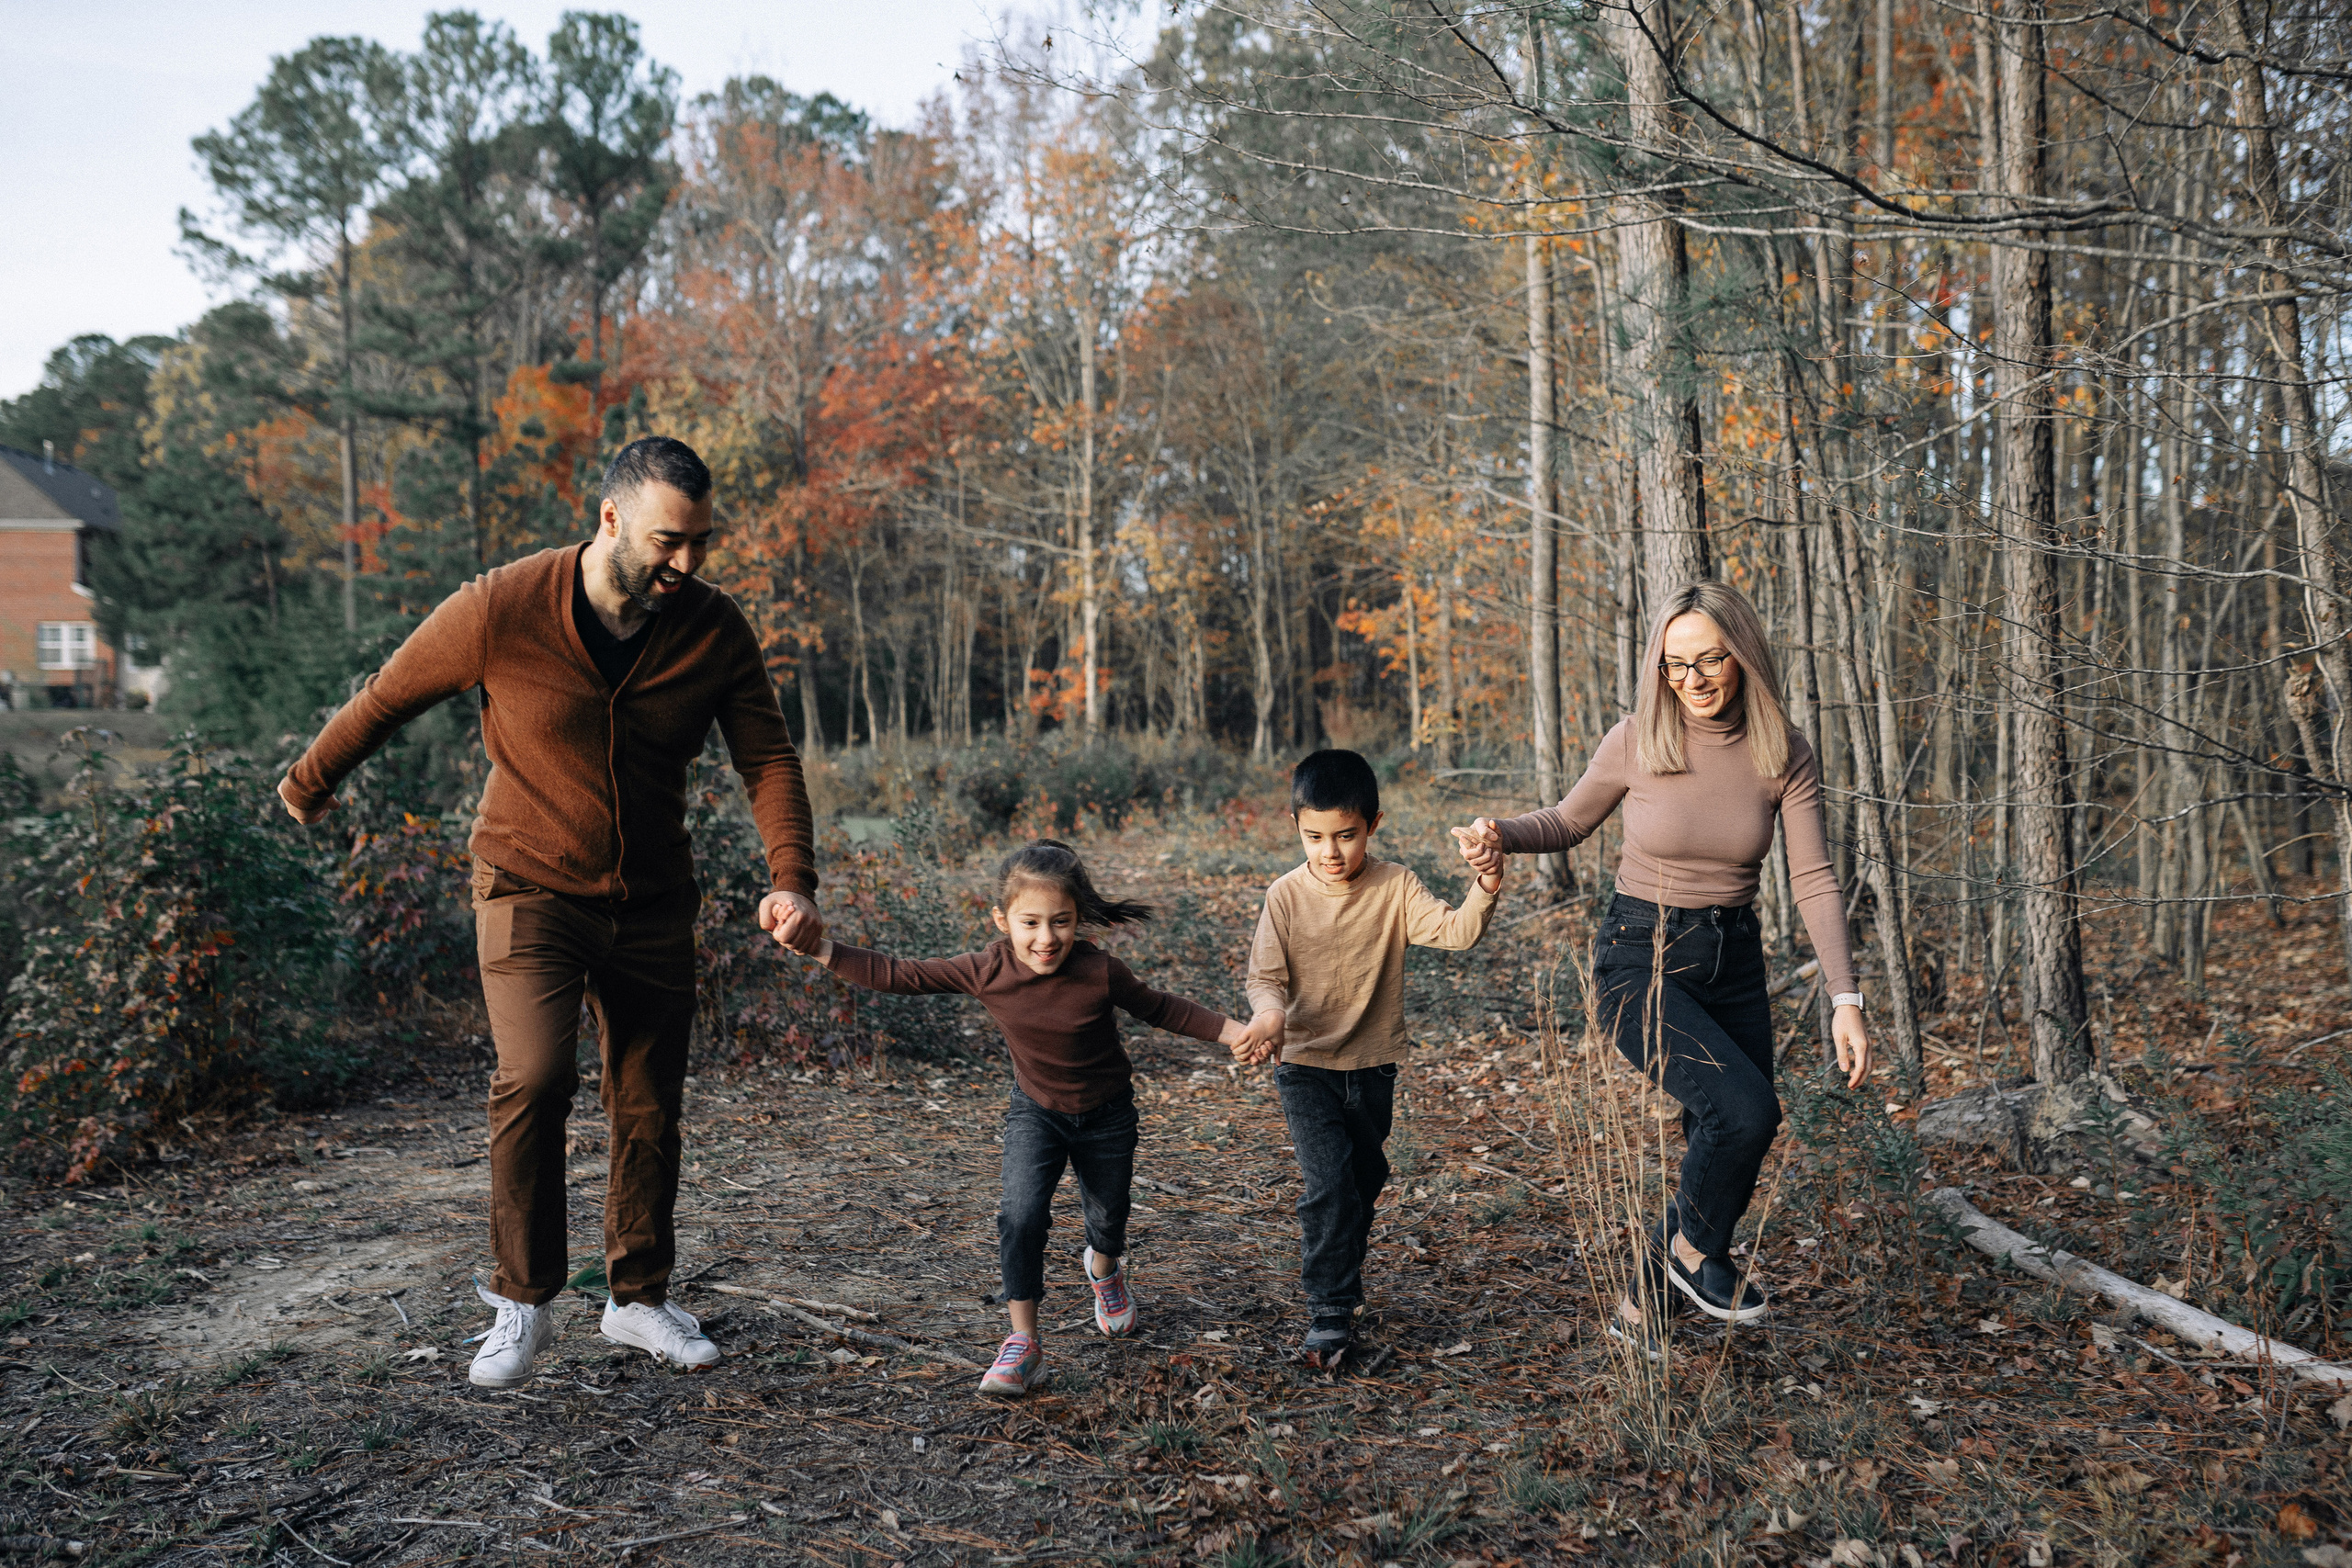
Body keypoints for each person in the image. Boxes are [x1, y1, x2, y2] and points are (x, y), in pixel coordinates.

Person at [277, 436, 824, 1388]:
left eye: (701, 542)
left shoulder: (712, 629)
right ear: (609, 519)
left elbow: (766, 760)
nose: (685, 565)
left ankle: (637, 1300)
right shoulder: (503, 606)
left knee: (649, 1103)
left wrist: (792, 877)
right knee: (533, 1078)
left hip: (654, 899)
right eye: (667, 541)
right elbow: (388, 697)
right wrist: (307, 784)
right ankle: (522, 1302)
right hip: (528, 882)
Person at [1453, 579, 1871, 1346]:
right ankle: (1693, 1256)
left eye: (1711, 660)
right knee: (1745, 1112)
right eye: (1676, 666)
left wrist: (1845, 998)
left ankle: (1648, 1301)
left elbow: (1812, 877)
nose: (1694, 680)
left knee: (1729, 1141)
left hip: (1733, 961)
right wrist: (1500, 833)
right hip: (1638, 957)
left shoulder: (1784, 750)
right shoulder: (1638, 738)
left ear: (1743, 654)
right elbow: (1568, 821)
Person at [775, 840, 1257, 1396]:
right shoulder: (987, 970)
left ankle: (1104, 1270)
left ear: (1079, 919)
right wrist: (820, 947)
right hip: (1037, 1114)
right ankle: (1024, 1343)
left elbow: (1163, 1007)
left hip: (1107, 1116)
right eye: (1030, 922)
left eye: (1062, 922)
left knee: (1109, 1216)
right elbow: (898, 973)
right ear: (1002, 920)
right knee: (1021, 1215)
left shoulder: (1100, 971)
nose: (1046, 938)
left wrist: (1233, 1033)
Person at [1236, 749, 1502, 1368]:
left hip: (1373, 1066)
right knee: (1328, 1183)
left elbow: (1457, 931)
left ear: (1372, 825)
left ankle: (1339, 1272)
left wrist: (1485, 884)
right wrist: (1269, 1013)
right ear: (1297, 827)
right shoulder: (1285, 896)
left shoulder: (1395, 886)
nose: (1330, 851)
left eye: (1346, 836)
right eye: (1315, 837)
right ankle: (1329, 1312)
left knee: (1363, 1180)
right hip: (1303, 1065)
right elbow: (1264, 977)